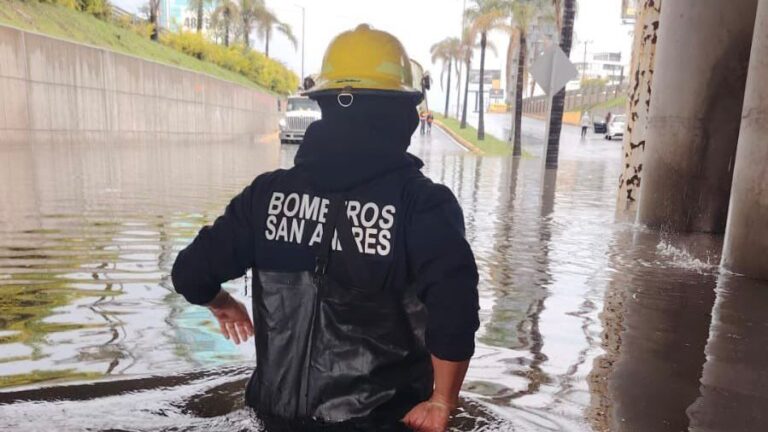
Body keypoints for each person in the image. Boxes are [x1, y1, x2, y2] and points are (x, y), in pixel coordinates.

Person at [172, 24, 479, 432]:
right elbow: (455, 310)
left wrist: (222, 303)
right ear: (402, 112)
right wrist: (442, 401)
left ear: (325, 105)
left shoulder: (266, 196)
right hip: (381, 422)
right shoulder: (422, 206)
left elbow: (190, 273)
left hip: (269, 417)